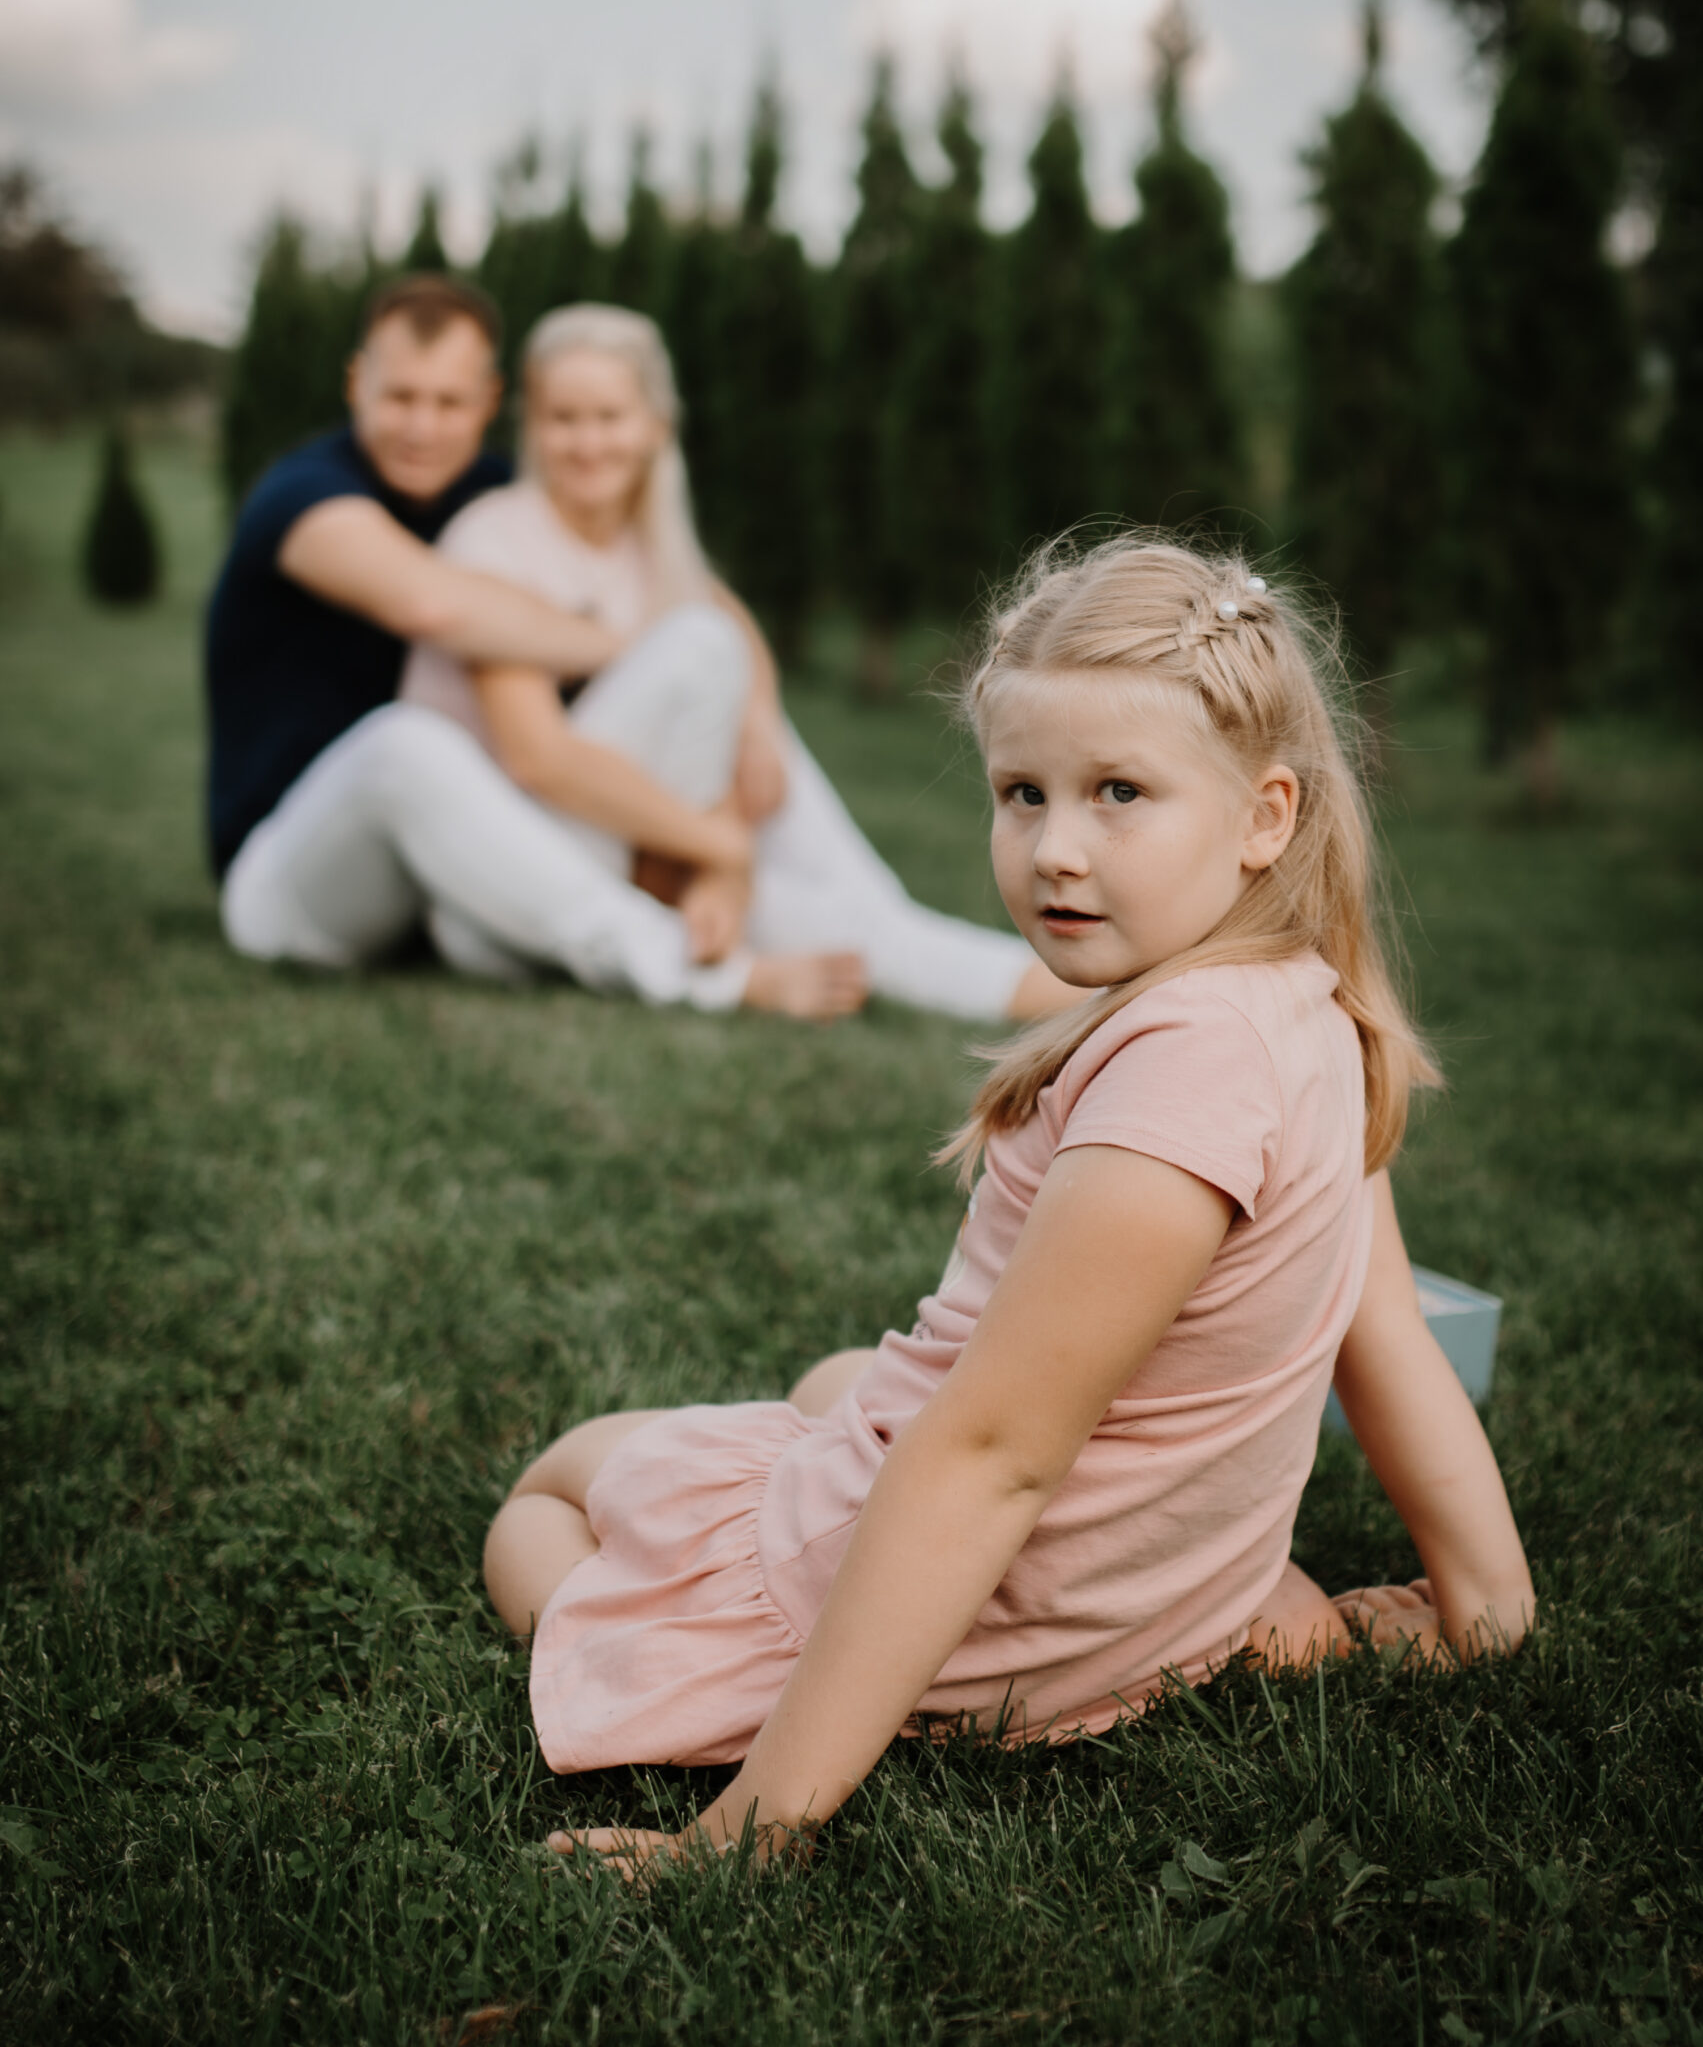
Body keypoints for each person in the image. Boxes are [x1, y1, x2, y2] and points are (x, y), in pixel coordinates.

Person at [480, 537, 1535, 1871]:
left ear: (1264, 816)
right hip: (1164, 1575)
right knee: (835, 1382)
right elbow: (1380, 1330)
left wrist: (746, 1829)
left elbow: (990, 1460)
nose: (1055, 851)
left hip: (1030, 1605)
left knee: (548, 1499)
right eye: (1021, 793)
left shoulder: (1181, 1075)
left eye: (1117, 793)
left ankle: (744, 1673)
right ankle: (1231, 1623)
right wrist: (1486, 1602)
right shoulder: (1307, 1005)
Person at [399, 303, 1078, 1024]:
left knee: (844, 922)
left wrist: (752, 727)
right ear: (530, 428)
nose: (587, 442)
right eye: (563, 419)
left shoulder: (654, 553)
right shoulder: (493, 539)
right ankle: (1066, 987)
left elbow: (731, 630)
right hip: (506, 882)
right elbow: (538, 759)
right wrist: (723, 853)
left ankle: (1087, 994)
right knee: (700, 644)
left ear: (656, 426)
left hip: (632, 849)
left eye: (609, 417)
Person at [207, 273, 858, 1018]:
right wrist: (633, 642)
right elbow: (432, 605)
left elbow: (713, 605)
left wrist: (756, 713)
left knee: (449, 765)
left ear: (489, 402)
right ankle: (708, 976)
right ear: (357, 384)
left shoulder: (490, 489)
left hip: (429, 881)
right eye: (400, 397)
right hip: (297, 873)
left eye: (449, 402)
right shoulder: (303, 496)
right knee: (403, 744)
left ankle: (832, 925)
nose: (422, 426)